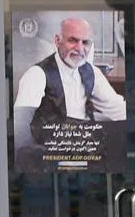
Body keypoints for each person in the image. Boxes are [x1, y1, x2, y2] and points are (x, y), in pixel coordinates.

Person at [13, 16, 127, 163]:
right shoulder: (37, 74)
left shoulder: (92, 72)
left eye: (85, 42)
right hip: (50, 155)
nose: (79, 48)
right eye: (73, 40)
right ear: (57, 41)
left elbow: (118, 109)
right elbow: (21, 129)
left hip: (84, 149)